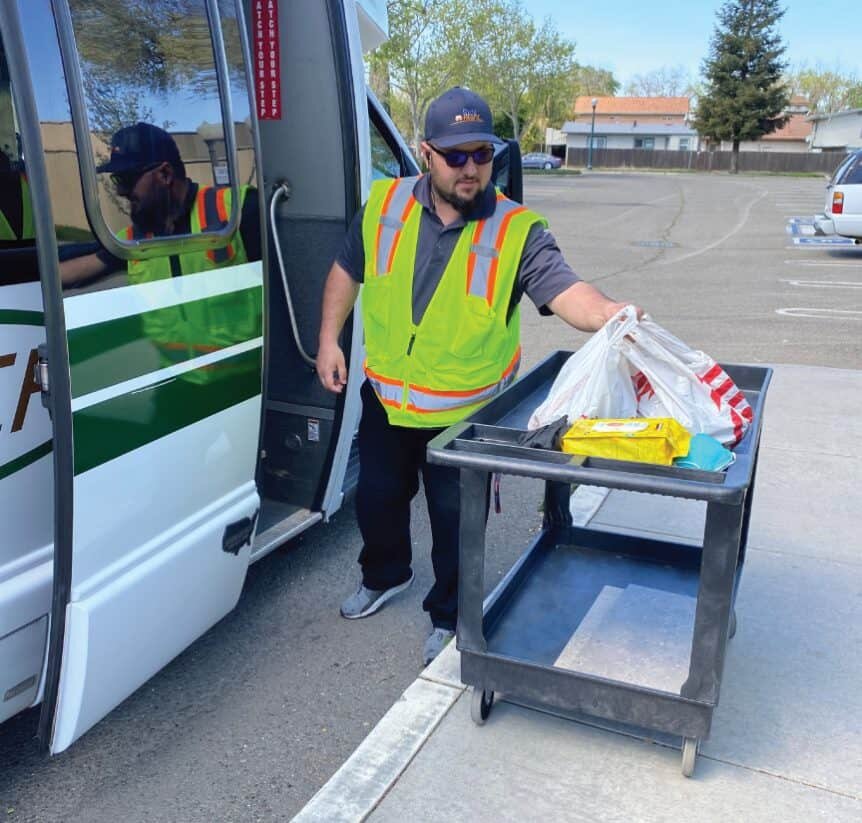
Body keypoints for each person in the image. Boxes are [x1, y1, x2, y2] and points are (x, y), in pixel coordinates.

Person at [316, 87, 642, 666]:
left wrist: (613, 316)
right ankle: (385, 574)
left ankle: (448, 613)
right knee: (378, 500)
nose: (471, 169)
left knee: (456, 525)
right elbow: (346, 270)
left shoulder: (517, 230)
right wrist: (327, 341)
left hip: (464, 419)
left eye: (481, 155)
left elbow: (565, 289)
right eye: (455, 156)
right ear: (426, 154)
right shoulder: (384, 206)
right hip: (387, 401)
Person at [60, 122, 260, 287]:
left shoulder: (240, 210)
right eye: (118, 180)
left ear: (165, 174)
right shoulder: (131, 240)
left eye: (127, 179)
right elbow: (77, 270)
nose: (121, 191)